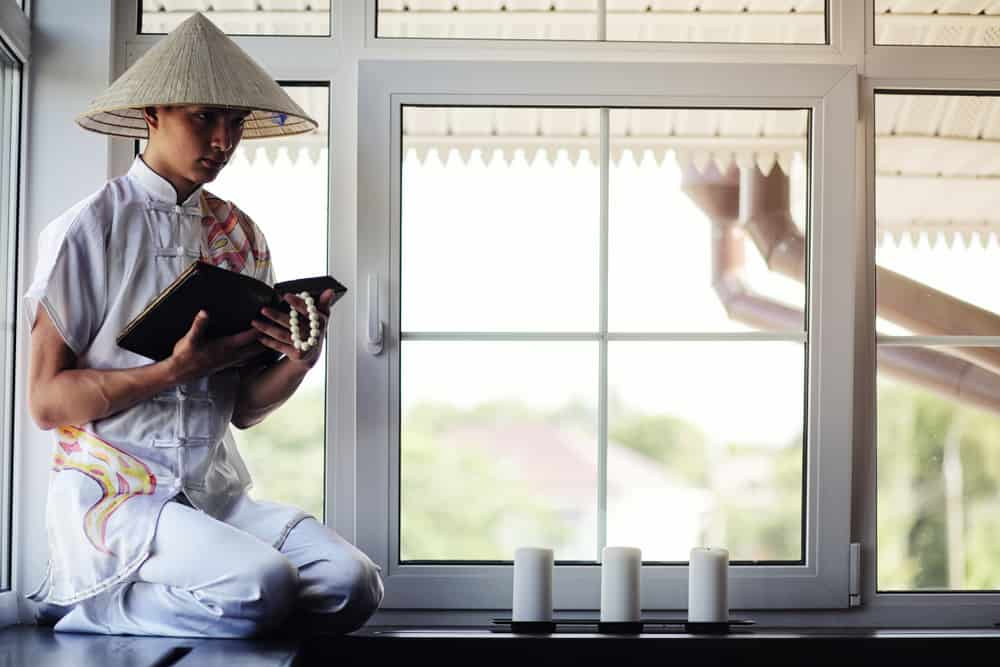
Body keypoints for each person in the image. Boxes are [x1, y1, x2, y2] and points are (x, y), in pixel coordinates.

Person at [24, 13, 383, 637]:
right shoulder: (88, 228)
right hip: (119, 492)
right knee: (264, 584)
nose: (223, 139)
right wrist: (173, 371)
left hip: (215, 492)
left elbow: (242, 407)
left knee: (352, 584)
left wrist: (299, 360)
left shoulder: (242, 236)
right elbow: (48, 404)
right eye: (203, 117)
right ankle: (91, 608)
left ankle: (215, 604)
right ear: (151, 115)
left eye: (236, 121)